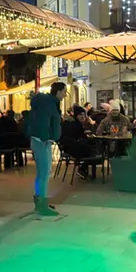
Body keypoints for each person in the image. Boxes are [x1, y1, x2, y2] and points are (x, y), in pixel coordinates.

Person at [27, 82, 66, 215]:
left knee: (43, 173)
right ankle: (42, 205)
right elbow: (44, 122)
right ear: (58, 92)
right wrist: (46, 137)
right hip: (42, 141)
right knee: (44, 173)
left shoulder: (48, 102)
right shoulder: (48, 104)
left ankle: (40, 200)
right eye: (64, 92)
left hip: (40, 140)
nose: (65, 95)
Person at [60, 106, 100, 179]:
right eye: (80, 114)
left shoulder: (70, 123)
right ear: (76, 115)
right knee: (93, 152)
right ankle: (82, 169)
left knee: (91, 151)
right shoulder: (76, 124)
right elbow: (82, 137)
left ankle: (82, 170)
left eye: (84, 114)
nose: (83, 116)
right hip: (73, 149)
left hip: (67, 148)